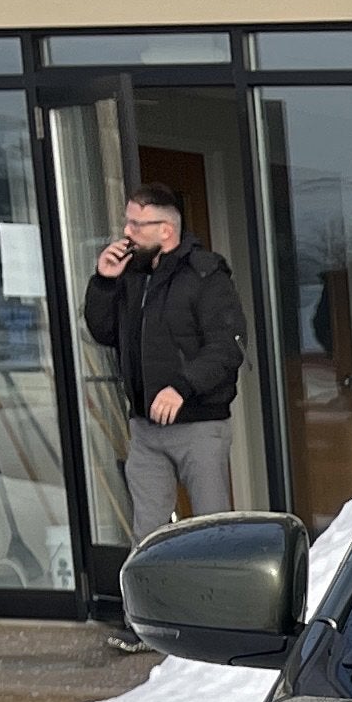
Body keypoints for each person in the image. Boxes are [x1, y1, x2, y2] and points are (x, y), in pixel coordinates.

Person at [84, 182, 245, 536]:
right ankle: (157, 594)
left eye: (136, 225)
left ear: (166, 230)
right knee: (149, 537)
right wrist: (104, 282)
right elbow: (104, 333)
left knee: (211, 530)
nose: (127, 233)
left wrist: (182, 388)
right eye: (126, 223)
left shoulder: (206, 274)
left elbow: (228, 347)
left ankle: (216, 592)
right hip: (145, 429)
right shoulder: (132, 276)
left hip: (199, 426)